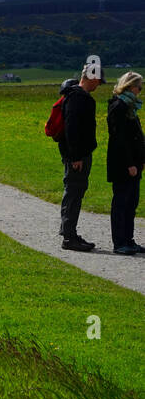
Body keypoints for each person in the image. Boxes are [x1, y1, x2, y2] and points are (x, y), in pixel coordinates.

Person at [59, 64, 102, 251]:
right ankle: (68, 237)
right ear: (91, 77)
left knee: (76, 192)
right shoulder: (78, 98)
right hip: (77, 157)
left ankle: (71, 234)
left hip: (80, 154)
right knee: (74, 193)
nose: (98, 85)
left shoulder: (77, 96)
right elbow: (72, 129)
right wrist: (76, 156)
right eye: (98, 81)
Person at [105, 71, 144, 255]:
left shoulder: (130, 106)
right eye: (139, 87)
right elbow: (119, 139)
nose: (140, 91)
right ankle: (119, 242)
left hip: (135, 163)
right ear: (130, 86)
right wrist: (129, 163)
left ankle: (129, 239)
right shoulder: (119, 106)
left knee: (131, 203)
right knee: (121, 203)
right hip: (123, 165)